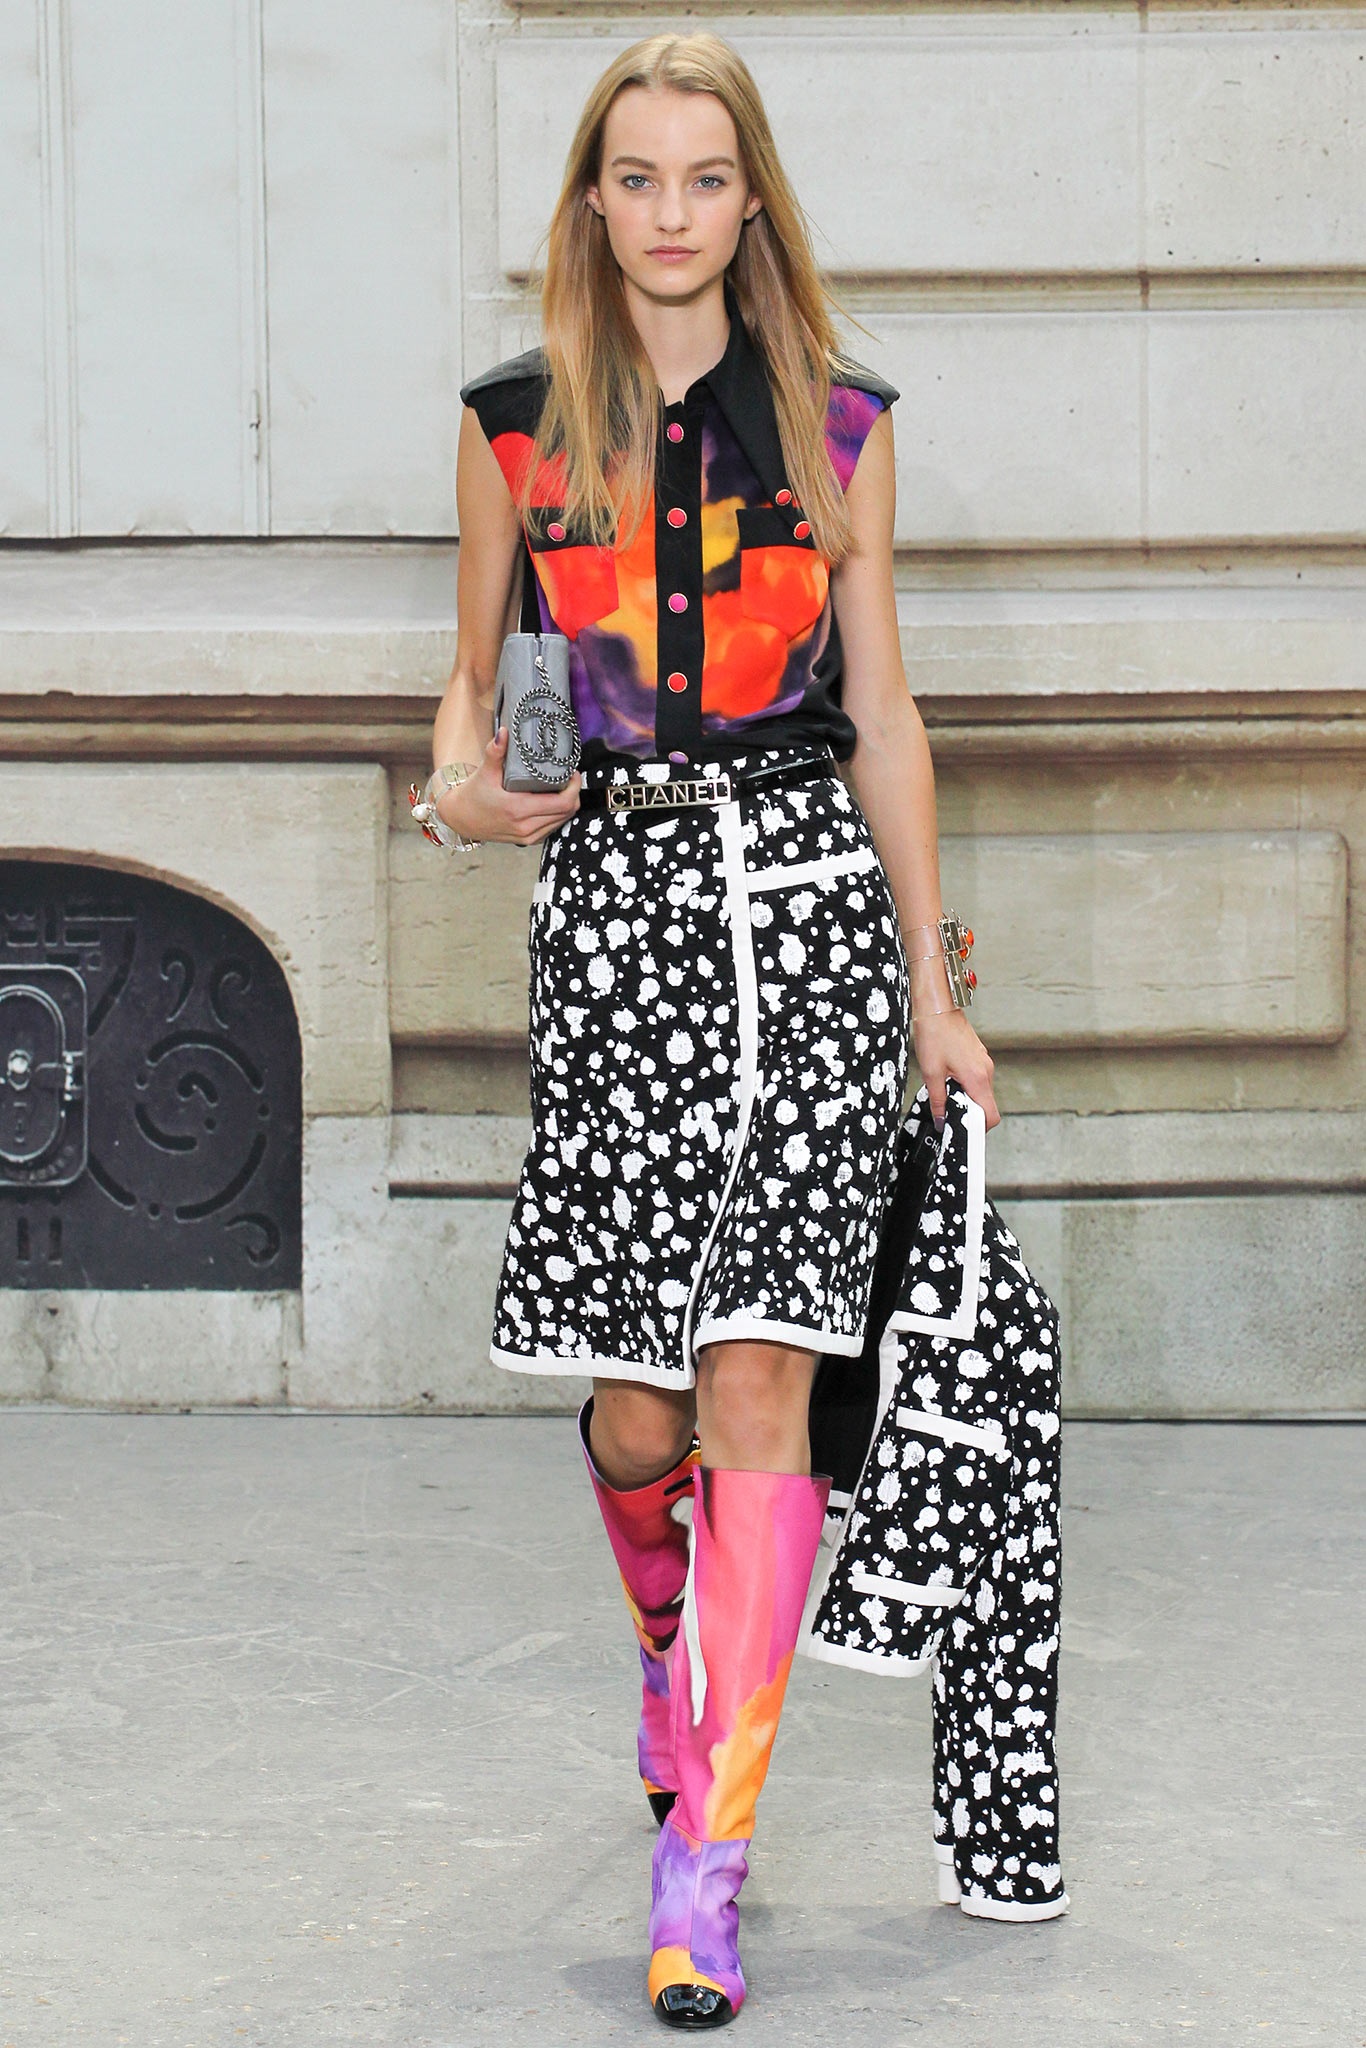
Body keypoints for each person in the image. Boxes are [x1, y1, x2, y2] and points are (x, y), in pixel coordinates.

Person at [427, 30, 999, 2030]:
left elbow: (883, 712)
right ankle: (667, 1659)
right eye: (635, 177)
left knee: (759, 1379)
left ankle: (707, 1868)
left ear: (750, 200)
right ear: (591, 205)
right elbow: (467, 690)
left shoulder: (837, 427)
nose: (669, 212)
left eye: (704, 176)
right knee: (637, 1413)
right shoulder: (515, 429)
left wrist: (930, 986)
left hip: (810, 930)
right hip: (616, 939)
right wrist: (461, 789)